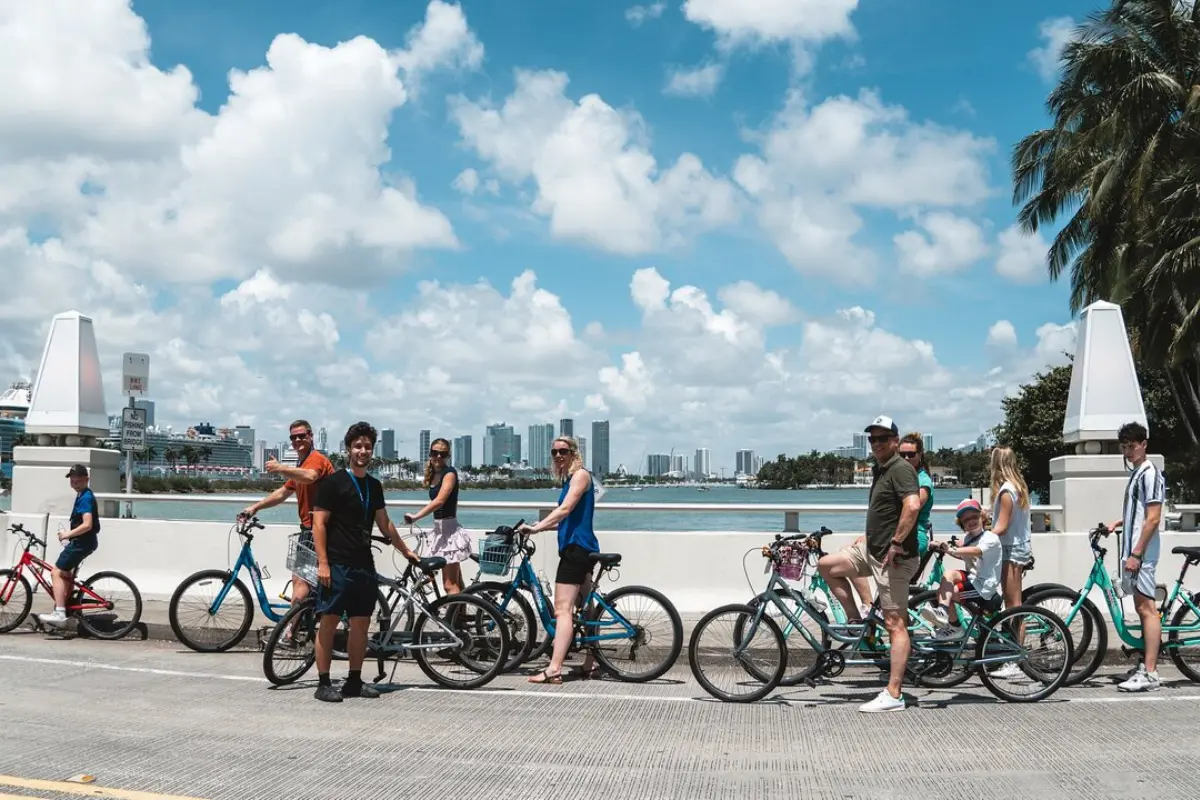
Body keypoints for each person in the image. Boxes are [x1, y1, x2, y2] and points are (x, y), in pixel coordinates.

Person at [818, 416, 922, 713]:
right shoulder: (881, 470)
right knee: (827, 566)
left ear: (894, 440)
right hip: (872, 551)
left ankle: (894, 694)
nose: (875, 444)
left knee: (894, 623)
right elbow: (886, 512)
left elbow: (912, 506)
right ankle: (855, 621)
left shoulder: (900, 469)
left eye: (881, 438)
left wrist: (897, 542)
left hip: (894, 559)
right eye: (871, 439)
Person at [312, 421, 419, 702]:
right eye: (358, 446)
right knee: (329, 621)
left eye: (368, 447)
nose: (363, 451)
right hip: (337, 563)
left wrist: (406, 551)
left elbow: (384, 524)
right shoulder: (333, 483)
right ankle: (323, 683)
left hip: (363, 564)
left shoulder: (373, 485)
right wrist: (323, 563)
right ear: (348, 449)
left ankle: (354, 681)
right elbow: (319, 524)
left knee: (361, 623)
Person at [517, 437, 599, 685]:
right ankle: (592, 662)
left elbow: (565, 509)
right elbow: (568, 517)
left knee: (563, 610)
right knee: (587, 606)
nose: (558, 455)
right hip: (579, 548)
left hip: (576, 550)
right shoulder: (571, 478)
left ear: (574, 453)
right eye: (554, 452)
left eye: (563, 451)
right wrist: (543, 527)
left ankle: (554, 668)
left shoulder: (581, 476)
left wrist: (537, 528)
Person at [239, 419, 334, 607]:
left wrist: (281, 468)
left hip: (322, 530)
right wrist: (255, 507)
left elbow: (310, 477)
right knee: (302, 581)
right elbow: (283, 493)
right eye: (293, 437)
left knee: (300, 583)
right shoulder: (302, 464)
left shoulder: (316, 459)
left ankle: (290, 633)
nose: (297, 440)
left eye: (301, 436)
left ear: (311, 436)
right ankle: (301, 624)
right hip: (309, 529)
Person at [1110, 421, 1165, 692]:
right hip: (1135, 551)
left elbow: (1153, 518)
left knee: (1147, 610)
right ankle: (1146, 665)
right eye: (1124, 447)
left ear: (1144, 444)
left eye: (1132, 446)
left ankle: (1151, 673)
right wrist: (1117, 523)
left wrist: (1137, 553)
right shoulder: (1137, 474)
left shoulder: (1149, 473)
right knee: (1143, 609)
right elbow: (1139, 512)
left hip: (1141, 552)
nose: (1128, 451)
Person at [921, 499, 1002, 641]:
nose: (971, 521)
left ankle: (955, 628)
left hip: (983, 586)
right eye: (966, 520)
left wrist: (953, 549)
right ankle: (943, 612)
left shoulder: (990, 538)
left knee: (949, 594)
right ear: (962, 524)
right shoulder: (968, 538)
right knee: (948, 575)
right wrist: (942, 546)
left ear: (982, 517)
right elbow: (963, 554)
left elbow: (976, 551)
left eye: (974, 517)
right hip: (973, 578)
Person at [35, 465, 100, 630]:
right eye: (72, 478)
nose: (75, 481)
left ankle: (60, 612)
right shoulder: (82, 495)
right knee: (65, 573)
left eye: (78, 478)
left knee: (55, 572)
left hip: (81, 543)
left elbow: (87, 524)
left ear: (87, 479)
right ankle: (69, 607)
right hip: (83, 542)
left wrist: (68, 534)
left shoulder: (85, 497)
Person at [988, 446, 1032, 680]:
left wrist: (982, 540)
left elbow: (1002, 527)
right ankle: (1014, 655)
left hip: (1010, 550)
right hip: (1019, 547)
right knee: (1014, 604)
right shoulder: (1018, 487)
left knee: (1014, 606)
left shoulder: (1006, 491)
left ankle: (1016, 660)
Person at [404, 437, 470, 594]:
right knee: (457, 581)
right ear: (430, 454)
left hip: (449, 533)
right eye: (435, 453)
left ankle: (452, 618)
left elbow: (440, 501)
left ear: (448, 456)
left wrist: (416, 517)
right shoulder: (434, 474)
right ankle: (460, 615)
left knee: (449, 585)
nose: (438, 457)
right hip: (439, 531)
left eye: (443, 453)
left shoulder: (450, 473)